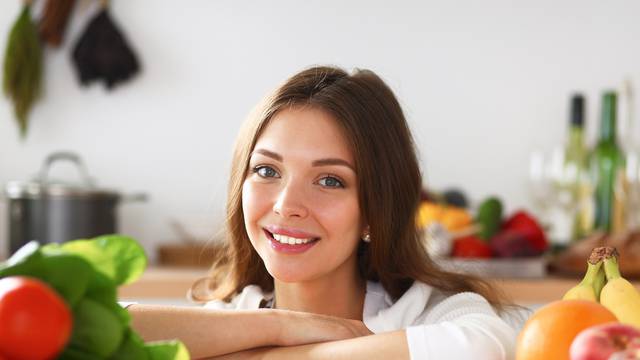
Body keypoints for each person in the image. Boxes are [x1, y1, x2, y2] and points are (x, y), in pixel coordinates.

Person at [128, 66, 518, 359]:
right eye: (267, 170)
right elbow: (89, 328)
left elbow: (484, 348)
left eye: (330, 180)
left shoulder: (431, 314)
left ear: (373, 210)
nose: (286, 206)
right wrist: (281, 325)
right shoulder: (231, 317)